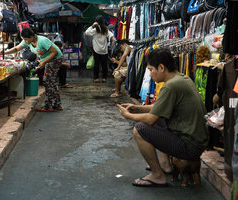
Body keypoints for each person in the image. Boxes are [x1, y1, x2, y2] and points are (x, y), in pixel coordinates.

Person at [116, 48, 209, 187]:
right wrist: (136, 108)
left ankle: (158, 175)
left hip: (190, 146)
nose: (149, 73)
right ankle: (165, 165)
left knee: (140, 129)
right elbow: (160, 107)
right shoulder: (181, 78)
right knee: (160, 119)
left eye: (151, 69)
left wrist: (128, 115)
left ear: (161, 67)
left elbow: (150, 119)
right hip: (196, 141)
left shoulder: (171, 86)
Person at [0, 28, 63, 112]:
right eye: (23, 40)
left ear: (32, 36)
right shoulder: (28, 41)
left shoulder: (42, 41)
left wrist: (44, 62)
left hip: (55, 59)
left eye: (26, 39)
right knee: (51, 82)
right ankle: (56, 104)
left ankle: (50, 106)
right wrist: (5, 52)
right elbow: (16, 49)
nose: (25, 42)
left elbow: (54, 52)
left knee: (48, 82)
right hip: (47, 60)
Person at [85, 15, 114, 83]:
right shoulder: (106, 30)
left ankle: (96, 78)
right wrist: (111, 46)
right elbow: (113, 38)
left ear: (96, 22)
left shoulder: (95, 30)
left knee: (96, 64)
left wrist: (92, 25)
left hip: (96, 50)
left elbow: (86, 32)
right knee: (104, 64)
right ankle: (104, 78)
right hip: (104, 50)